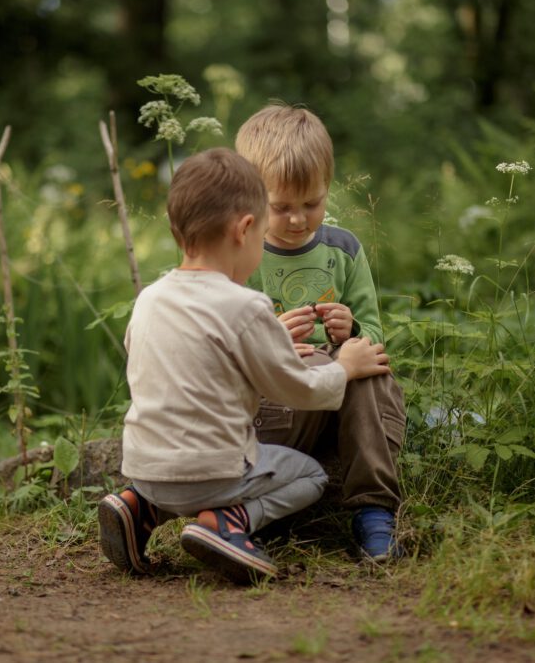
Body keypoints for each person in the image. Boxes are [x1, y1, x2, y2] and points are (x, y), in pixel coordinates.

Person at [98, 148, 393, 584]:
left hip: (145, 468)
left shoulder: (149, 300)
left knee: (177, 472)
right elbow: (301, 390)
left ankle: (140, 507)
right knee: (309, 477)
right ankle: (228, 522)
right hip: (216, 473)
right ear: (245, 230)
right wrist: (344, 366)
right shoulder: (245, 306)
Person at [234, 104, 407, 561]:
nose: (298, 220)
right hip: (277, 407)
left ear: (327, 188)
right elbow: (222, 342)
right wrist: (270, 336)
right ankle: (259, 509)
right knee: (317, 366)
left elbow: (374, 334)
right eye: (281, 208)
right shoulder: (241, 250)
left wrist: (351, 328)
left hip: (341, 396)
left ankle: (374, 513)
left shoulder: (344, 249)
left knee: (370, 368)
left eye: (312, 203)